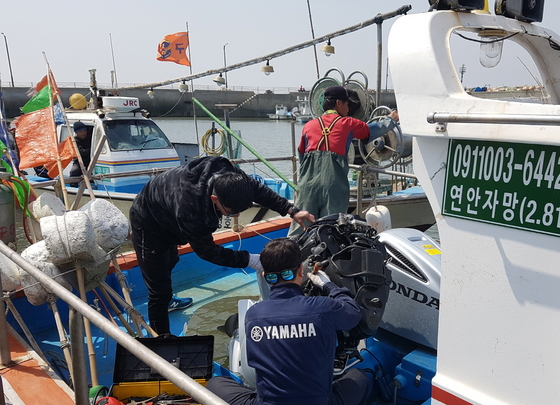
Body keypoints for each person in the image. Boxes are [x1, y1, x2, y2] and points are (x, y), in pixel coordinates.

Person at [129, 156, 314, 335]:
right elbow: (207, 251)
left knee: (171, 260)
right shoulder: (191, 207)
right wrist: (250, 260)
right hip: (149, 221)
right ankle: (161, 341)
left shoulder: (229, 175)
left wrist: (291, 210)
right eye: (231, 212)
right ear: (214, 199)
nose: (236, 217)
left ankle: (168, 300)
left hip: (168, 209)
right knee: (158, 289)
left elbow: (258, 189)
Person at [206, 238, 373, 405]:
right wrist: (328, 285)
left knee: (215, 383)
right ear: (300, 269)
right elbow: (353, 313)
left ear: (265, 276)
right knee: (361, 376)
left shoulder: (253, 315)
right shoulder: (323, 308)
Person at [288, 86, 399, 236]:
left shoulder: (308, 126)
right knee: (331, 231)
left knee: (299, 230)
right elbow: (372, 130)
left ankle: (291, 257)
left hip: (308, 185)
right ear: (338, 103)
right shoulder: (348, 123)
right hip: (334, 186)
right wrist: (390, 120)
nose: (348, 108)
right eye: (347, 104)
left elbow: (301, 154)